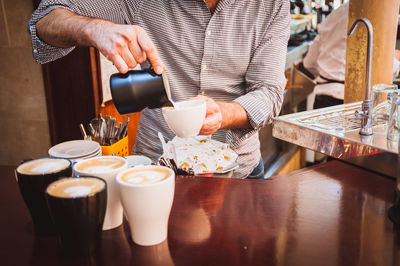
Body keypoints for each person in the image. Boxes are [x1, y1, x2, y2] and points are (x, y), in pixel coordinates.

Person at [29, 0, 290, 179]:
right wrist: (92, 28)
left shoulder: (271, 5)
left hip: (237, 171)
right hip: (157, 170)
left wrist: (223, 114)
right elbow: (45, 19)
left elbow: (269, 91)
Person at [303, 1, 400, 109]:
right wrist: (396, 59)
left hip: (323, 100)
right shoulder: (379, 13)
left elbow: (309, 63)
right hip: (358, 102)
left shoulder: (335, 15)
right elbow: (386, 71)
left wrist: (330, 76)